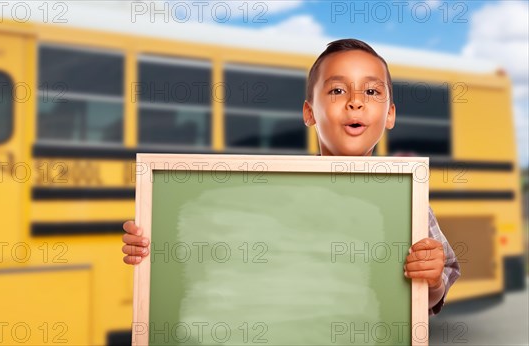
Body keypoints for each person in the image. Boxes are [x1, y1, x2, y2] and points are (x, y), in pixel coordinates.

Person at [122, 38, 460, 315]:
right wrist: (155, 245)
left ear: (390, 115)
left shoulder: (408, 202)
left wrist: (433, 282)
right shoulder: (271, 192)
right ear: (309, 112)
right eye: (337, 91)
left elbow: (428, 297)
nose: (356, 103)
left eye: (372, 92)